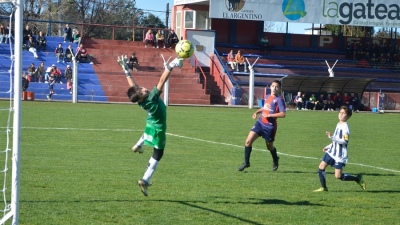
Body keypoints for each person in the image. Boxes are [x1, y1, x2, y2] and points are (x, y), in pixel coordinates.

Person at [116, 54, 183, 196]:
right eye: (141, 92)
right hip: (158, 128)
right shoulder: (152, 98)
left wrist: (126, 70)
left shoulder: (140, 101)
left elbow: (132, 86)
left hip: (150, 124)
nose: (143, 89)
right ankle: (145, 179)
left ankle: (139, 145)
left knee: (148, 133)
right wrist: (172, 66)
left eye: (141, 89)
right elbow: (161, 80)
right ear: (141, 97)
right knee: (158, 154)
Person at [313, 105, 366, 192]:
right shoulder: (338, 124)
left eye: (343, 113)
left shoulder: (345, 127)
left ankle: (357, 179)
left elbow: (345, 141)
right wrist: (328, 146)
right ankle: (323, 187)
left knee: (338, 176)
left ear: (348, 116)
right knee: (321, 166)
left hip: (340, 155)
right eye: (340, 112)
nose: (341, 115)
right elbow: (336, 139)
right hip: (332, 152)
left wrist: (331, 137)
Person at [238, 80, 286, 172]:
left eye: (276, 87)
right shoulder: (267, 96)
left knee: (269, 147)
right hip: (260, 123)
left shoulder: (279, 100)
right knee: (248, 141)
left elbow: (283, 114)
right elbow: (265, 108)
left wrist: (270, 115)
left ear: (279, 89)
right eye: (272, 86)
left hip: (270, 127)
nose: (274, 88)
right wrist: (256, 112)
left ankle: (275, 159)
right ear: (270, 87)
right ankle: (246, 162)